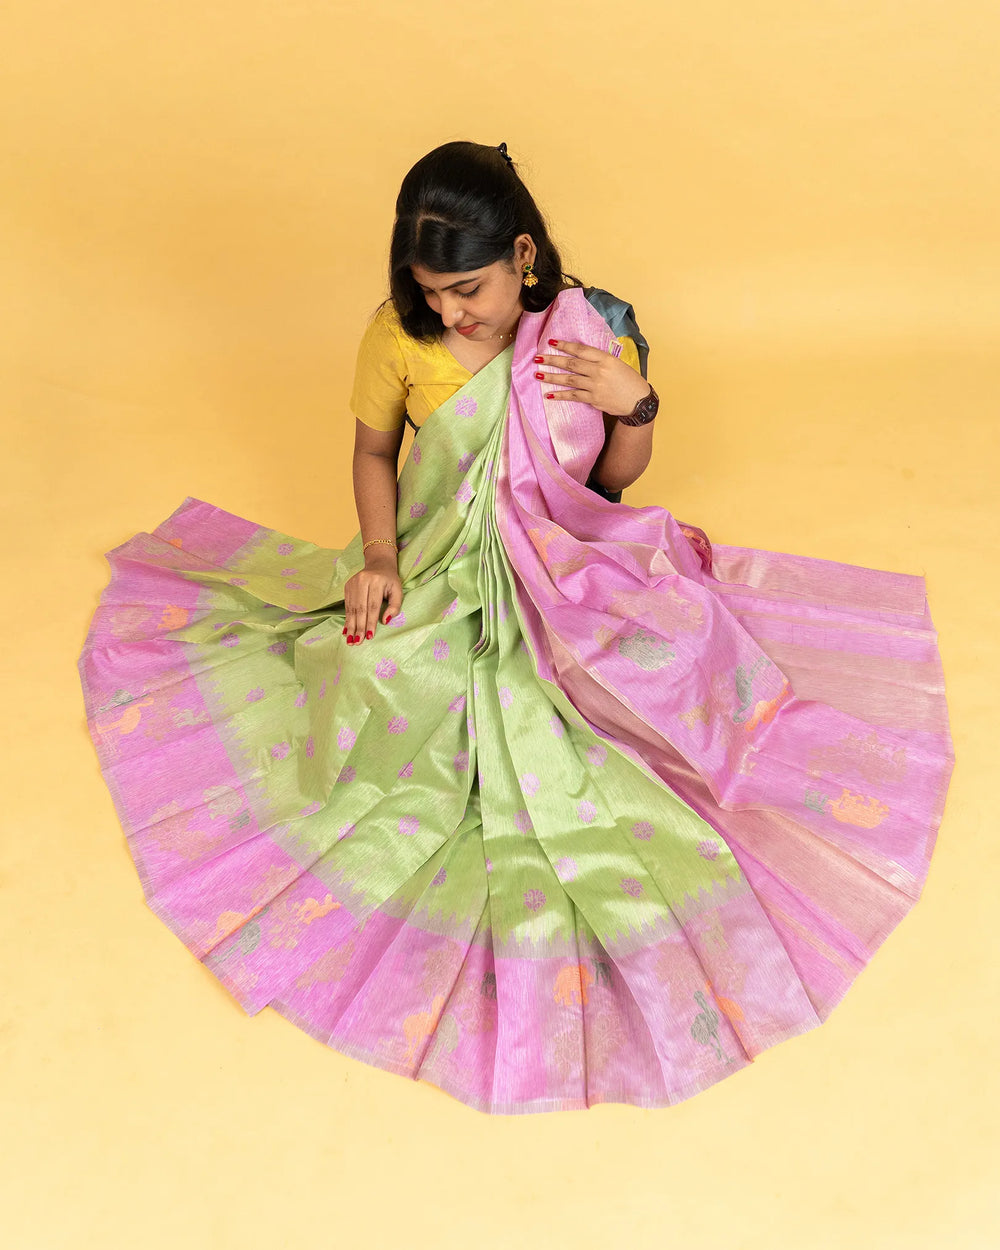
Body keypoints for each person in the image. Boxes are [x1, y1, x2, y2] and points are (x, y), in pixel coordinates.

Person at [78, 140, 955, 1116]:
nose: (452, 312)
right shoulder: (396, 337)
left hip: (571, 559)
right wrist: (379, 559)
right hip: (437, 562)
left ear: (522, 255)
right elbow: (373, 453)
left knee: (668, 657)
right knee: (371, 678)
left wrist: (635, 403)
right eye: (431, 292)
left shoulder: (586, 330)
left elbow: (609, 485)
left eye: (468, 289)